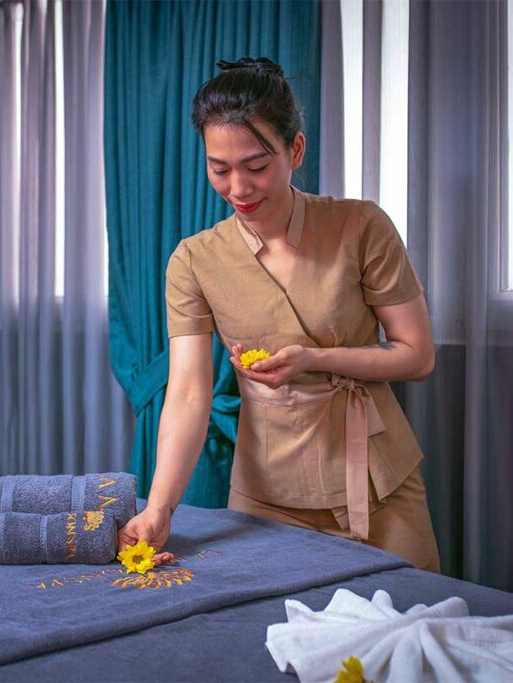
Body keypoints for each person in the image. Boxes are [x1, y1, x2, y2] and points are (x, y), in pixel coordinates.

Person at [118, 56, 441, 572]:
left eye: (257, 166)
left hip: (376, 481)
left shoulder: (360, 226)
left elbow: (417, 355)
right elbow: (187, 391)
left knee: (414, 631)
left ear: (296, 149)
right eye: (218, 169)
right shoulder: (195, 260)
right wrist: (159, 509)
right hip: (267, 495)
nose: (239, 189)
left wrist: (313, 357)